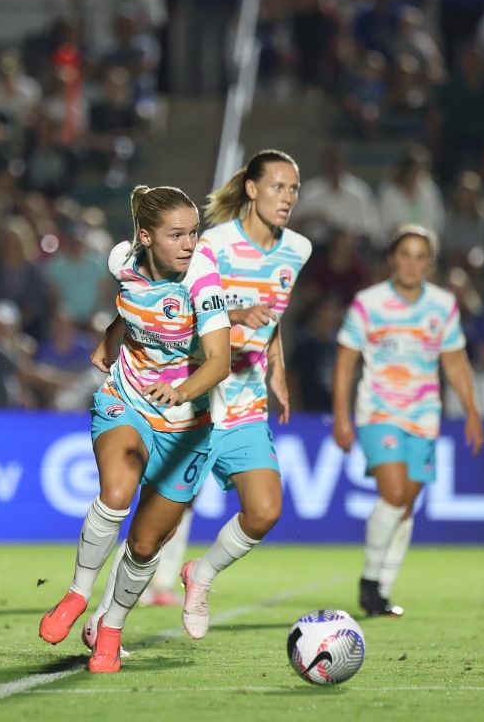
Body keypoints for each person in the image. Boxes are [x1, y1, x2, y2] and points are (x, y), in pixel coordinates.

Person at [38, 185, 231, 673]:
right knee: (117, 492)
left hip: (188, 424)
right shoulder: (122, 259)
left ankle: (112, 627)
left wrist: (183, 392)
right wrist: (110, 339)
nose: (189, 244)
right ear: (145, 237)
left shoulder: (203, 281)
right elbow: (131, 305)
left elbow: (220, 362)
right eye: (176, 235)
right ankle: (78, 594)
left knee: (146, 545)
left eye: (193, 233)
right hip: (127, 399)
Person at [176, 149, 312, 639]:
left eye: (294, 188)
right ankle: (108, 618)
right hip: (194, 397)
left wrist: (277, 366)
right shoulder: (212, 245)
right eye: (278, 186)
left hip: (247, 399)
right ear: (252, 189)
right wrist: (233, 313)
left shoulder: (298, 249)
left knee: (265, 510)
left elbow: (274, 314)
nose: (288, 197)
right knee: (159, 524)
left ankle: (202, 575)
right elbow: (185, 315)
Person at [332, 224, 484, 618]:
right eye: (405, 255)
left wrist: (472, 411)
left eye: (420, 256)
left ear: (429, 263)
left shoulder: (442, 305)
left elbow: (454, 359)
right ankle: (369, 581)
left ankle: (382, 588)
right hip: (378, 412)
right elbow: (346, 359)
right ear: (391, 260)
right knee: (395, 493)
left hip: (424, 416)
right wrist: (341, 415)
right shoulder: (369, 303)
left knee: (405, 505)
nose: (412, 264)